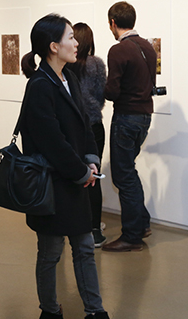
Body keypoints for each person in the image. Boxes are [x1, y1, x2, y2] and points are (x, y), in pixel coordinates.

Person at [20, 14, 109, 319]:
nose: (76, 43)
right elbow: (51, 142)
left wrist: (91, 157)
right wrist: (81, 172)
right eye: (71, 37)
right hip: (52, 186)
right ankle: (50, 310)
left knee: (84, 246)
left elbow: (84, 124)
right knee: (50, 252)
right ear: (53, 46)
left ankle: (95, 311)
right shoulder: (39, 86)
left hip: (73, 182)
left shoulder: (68, 77)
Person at [101, 1, 157, 252]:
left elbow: (112, 92)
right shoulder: (148, 46)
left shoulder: (118, 50)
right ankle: (142, 223)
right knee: (128, 172)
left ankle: (132, 235)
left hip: (126, 117)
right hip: (145, 116)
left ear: (113, 22)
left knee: (123, 175)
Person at [66, 23, 107, 247]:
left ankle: (72, 223)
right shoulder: (96, 64)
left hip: (71, 126)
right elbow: (102, 95)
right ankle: (94, 229)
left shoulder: (65, 66)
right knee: (94, 176)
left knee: (72, 174)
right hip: (93, 124)